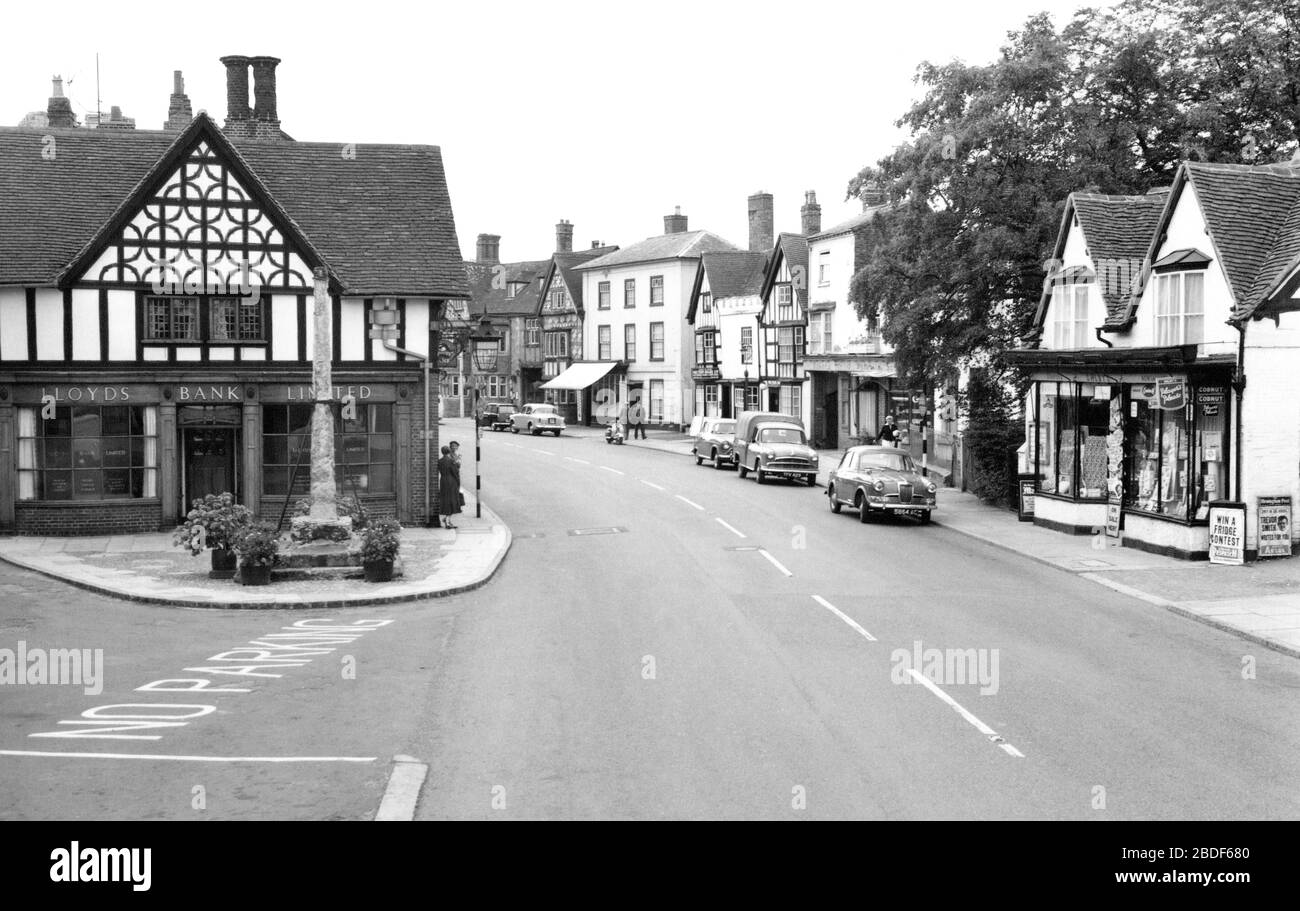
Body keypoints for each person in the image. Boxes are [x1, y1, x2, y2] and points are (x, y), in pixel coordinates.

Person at [437, 444, 461, 529]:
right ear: (449, 451)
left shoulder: (439, 461)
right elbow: (455, 472)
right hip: (451, 482)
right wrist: (458, 482)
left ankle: (448, 520)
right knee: (452, 501)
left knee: (445, 500)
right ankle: (447, 522)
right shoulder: (451, 461)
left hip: (443, 481)